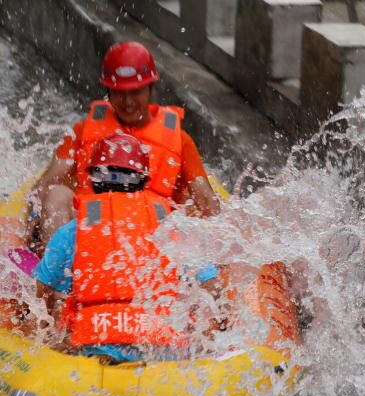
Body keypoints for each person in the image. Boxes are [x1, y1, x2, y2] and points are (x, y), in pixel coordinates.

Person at [34, 133, 221, 362]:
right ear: (142, 182)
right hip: (162, 352)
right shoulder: (171, 228)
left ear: (93, 181)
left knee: (55, 322)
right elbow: (212, 286)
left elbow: (41, 298)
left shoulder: (71, 232)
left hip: (94, 351)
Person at [26, 41, 221, 256]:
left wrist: (214, 257)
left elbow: (208, 204)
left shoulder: (180, 141)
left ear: (150, 88)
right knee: (56, 194)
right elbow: (44, 186)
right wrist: (30, 232)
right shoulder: (82, 132)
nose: (127, 102)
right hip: (91, 234)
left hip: (151, 240)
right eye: (119, 92)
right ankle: (55, 270)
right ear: (107, 91)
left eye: (135, 92)